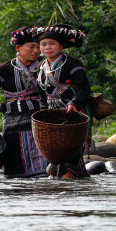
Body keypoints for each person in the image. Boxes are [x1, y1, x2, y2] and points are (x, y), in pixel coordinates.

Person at [0, 27, 48, 178]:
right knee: (15, 154)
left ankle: (45, 178)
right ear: (18, 48)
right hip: (13, 120)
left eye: (38, 47)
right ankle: (16, 180)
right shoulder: (4, 70)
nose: (36, 50)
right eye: (31, 46)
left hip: (40, 117)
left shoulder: (45, 67)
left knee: (43, 149)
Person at [33, 23, 90, 178]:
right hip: (51, 114)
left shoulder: (72, 63)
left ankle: (74, 178)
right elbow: (41, 93)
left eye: (52, 43)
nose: (47, 47)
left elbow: (84, 89)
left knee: (71, 149)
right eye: (43, 44)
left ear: (61, 46)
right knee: (53, 149)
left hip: (71, 112)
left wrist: (74, 103)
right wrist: (43, 111)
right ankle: (63, 181)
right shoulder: (40, 66)